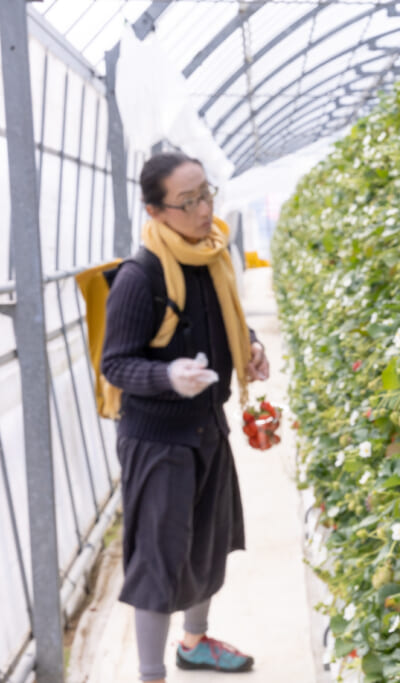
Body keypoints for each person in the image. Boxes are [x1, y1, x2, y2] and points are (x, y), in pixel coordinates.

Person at [101, 151, 269, 682]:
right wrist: (168, 376)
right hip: (158, 439)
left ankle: (194, 644)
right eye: (188, 201)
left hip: (207, 427)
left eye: (207, 193)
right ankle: (151, 674)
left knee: (209, 542)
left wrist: (252, 347)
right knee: (157, 561)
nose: (203, 209)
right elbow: (116, 363)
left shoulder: (215, 256)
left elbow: (227, 327)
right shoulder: (140, 276)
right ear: (156, 211)